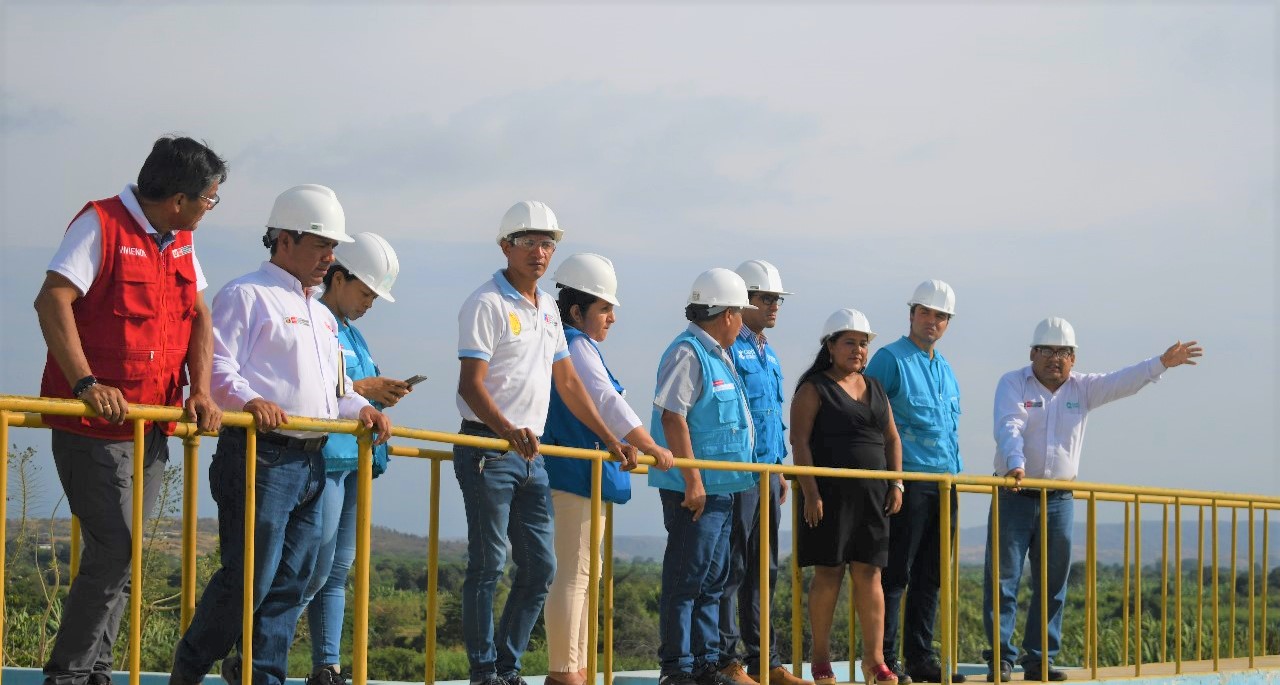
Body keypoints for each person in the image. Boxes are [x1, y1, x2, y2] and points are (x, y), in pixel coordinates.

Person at [170, 185, 392, 685]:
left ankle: (263, 676)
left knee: (292, 583)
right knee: (249, 580)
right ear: (284, 240)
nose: (329, 259)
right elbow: (216, 368)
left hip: (311, 460)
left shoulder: (319, 313)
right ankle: (189, 670)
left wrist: (363, 410)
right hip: (260, 456)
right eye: (321, 246)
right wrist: (250, 401)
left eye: (333, 248)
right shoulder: (246, 294)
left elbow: (334, 390)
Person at [34, 135, 228, 685]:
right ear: (178, 199)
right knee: (114, 549)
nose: (209, 210)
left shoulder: (181, 241)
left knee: (123, 557)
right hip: (93, 429)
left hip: (152, 426)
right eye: (209, 199)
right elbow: (52, 299)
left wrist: (201, 390)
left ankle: (96, 670)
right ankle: (67, 675)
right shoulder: (101, 224)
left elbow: (199, 315)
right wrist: (86, 382)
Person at [454, 201, 637, 685]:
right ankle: (484, 671)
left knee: (541, 568)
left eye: (548, 243)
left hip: (530, 455)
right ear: (505, 246)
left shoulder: (549, 310)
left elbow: (570, 385)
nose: (540, 252)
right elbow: (471, 385)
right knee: (489, 562)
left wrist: (610, 440)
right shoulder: (486, 303)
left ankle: (507, 667)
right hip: (488, 449)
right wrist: (506, 430)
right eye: (529, 241)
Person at [982, 318, 1202, 683]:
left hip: (1058, 499)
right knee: (1003, 580)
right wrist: (1016, 464)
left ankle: (1039, 660)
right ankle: (1000, 662)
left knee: (1053, 583)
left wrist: (1161, 362)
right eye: (1049, 351)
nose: (1057, 359)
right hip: (1013, 493)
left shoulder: (1082, 388)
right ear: (1032, 353)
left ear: (1074, 357)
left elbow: (1122, 381)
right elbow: (1009, 425)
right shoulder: (1013, 383)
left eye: (1065, 352)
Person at [540, 253, 676, 685]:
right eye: (604, 308)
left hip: (583, 471)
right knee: (574, 573)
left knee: (582, 572)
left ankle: (574, 668)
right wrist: (649, 443)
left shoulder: (577, 346)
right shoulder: (576, 346)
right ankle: (565, 672)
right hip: (575, 470)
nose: (612, 318)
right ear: (576, 311)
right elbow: (606, 401)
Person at [303, 232, 410, 685]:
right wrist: (365, 390)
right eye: (365, 293)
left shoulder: (353, 331)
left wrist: (380, 394)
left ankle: (328, 665)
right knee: (313, 566)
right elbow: (309, 386)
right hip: (324, 458)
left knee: (337, 568)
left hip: (354, 463)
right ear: (338, 277)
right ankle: (256, 647)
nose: (368, 303)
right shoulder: (311, 319)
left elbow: (353, 392)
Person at [650, 268, 760, 685]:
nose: (741, 320)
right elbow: (673, 416)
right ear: (727, 313)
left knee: (712, 580)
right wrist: (693, 480)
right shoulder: (689, 351)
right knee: (687, 579)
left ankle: (705, 663)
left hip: (724, 488)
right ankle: (676, 668)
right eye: (739, 312)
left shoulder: (716, 352)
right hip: (695, 492)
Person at [791, 310, 904, 685]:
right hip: (827, 497)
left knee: (870, 573)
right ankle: (821, 660)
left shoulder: (875, 387)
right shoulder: (813, 388)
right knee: (828, 572)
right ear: (830, 346)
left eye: (863, 343)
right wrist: (810, 492)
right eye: (849, 342)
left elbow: (891, 439)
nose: (858, 350)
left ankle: (875, 662)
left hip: (874, 497)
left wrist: (896, 483)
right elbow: (800, 441)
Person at [864, 279, 964, 684]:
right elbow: (867, 417)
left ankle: (921, 658)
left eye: (941, 316)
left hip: (945, 482)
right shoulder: (890, 359)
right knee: (896, 574)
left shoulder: (946, 369)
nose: (933, 321)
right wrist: (889, 481)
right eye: (926, 313)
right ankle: (886, 660)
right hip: (907, 482)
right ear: (912, 314)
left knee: (932, 575)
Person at [718, 260, 810, 685]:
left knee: (764, 569)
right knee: (732, 567)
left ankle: (765, 660)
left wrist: (779, 471)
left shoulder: (765, 350)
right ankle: (728, 659)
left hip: (768, 475)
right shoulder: (728, 348)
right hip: (738, 473)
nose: (774, 305)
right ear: (743, 300)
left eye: (777, 299)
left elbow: (770, 415)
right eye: (766, 298)